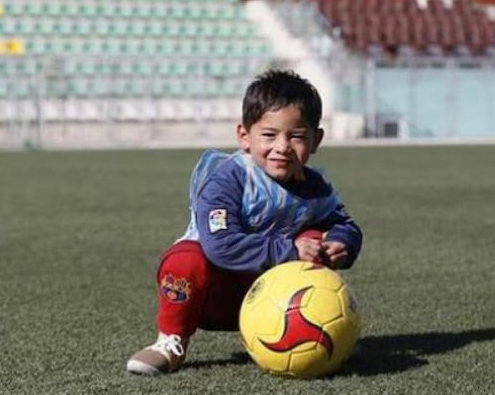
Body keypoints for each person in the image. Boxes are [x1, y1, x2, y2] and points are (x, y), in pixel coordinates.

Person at [126, 69, 363, 375]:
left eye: (297, 136)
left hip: (270, 295)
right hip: (211, 293)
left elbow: (346, 224)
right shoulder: (229, 177)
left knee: (316, 237)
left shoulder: (314, 185)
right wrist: (292, 251)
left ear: (316, 140)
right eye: (269, 134)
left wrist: (342, 243)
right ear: (244, 137)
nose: (283, 146)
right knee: (184, 261)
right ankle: (171, 341)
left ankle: (320, 336)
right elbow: (221, 246)